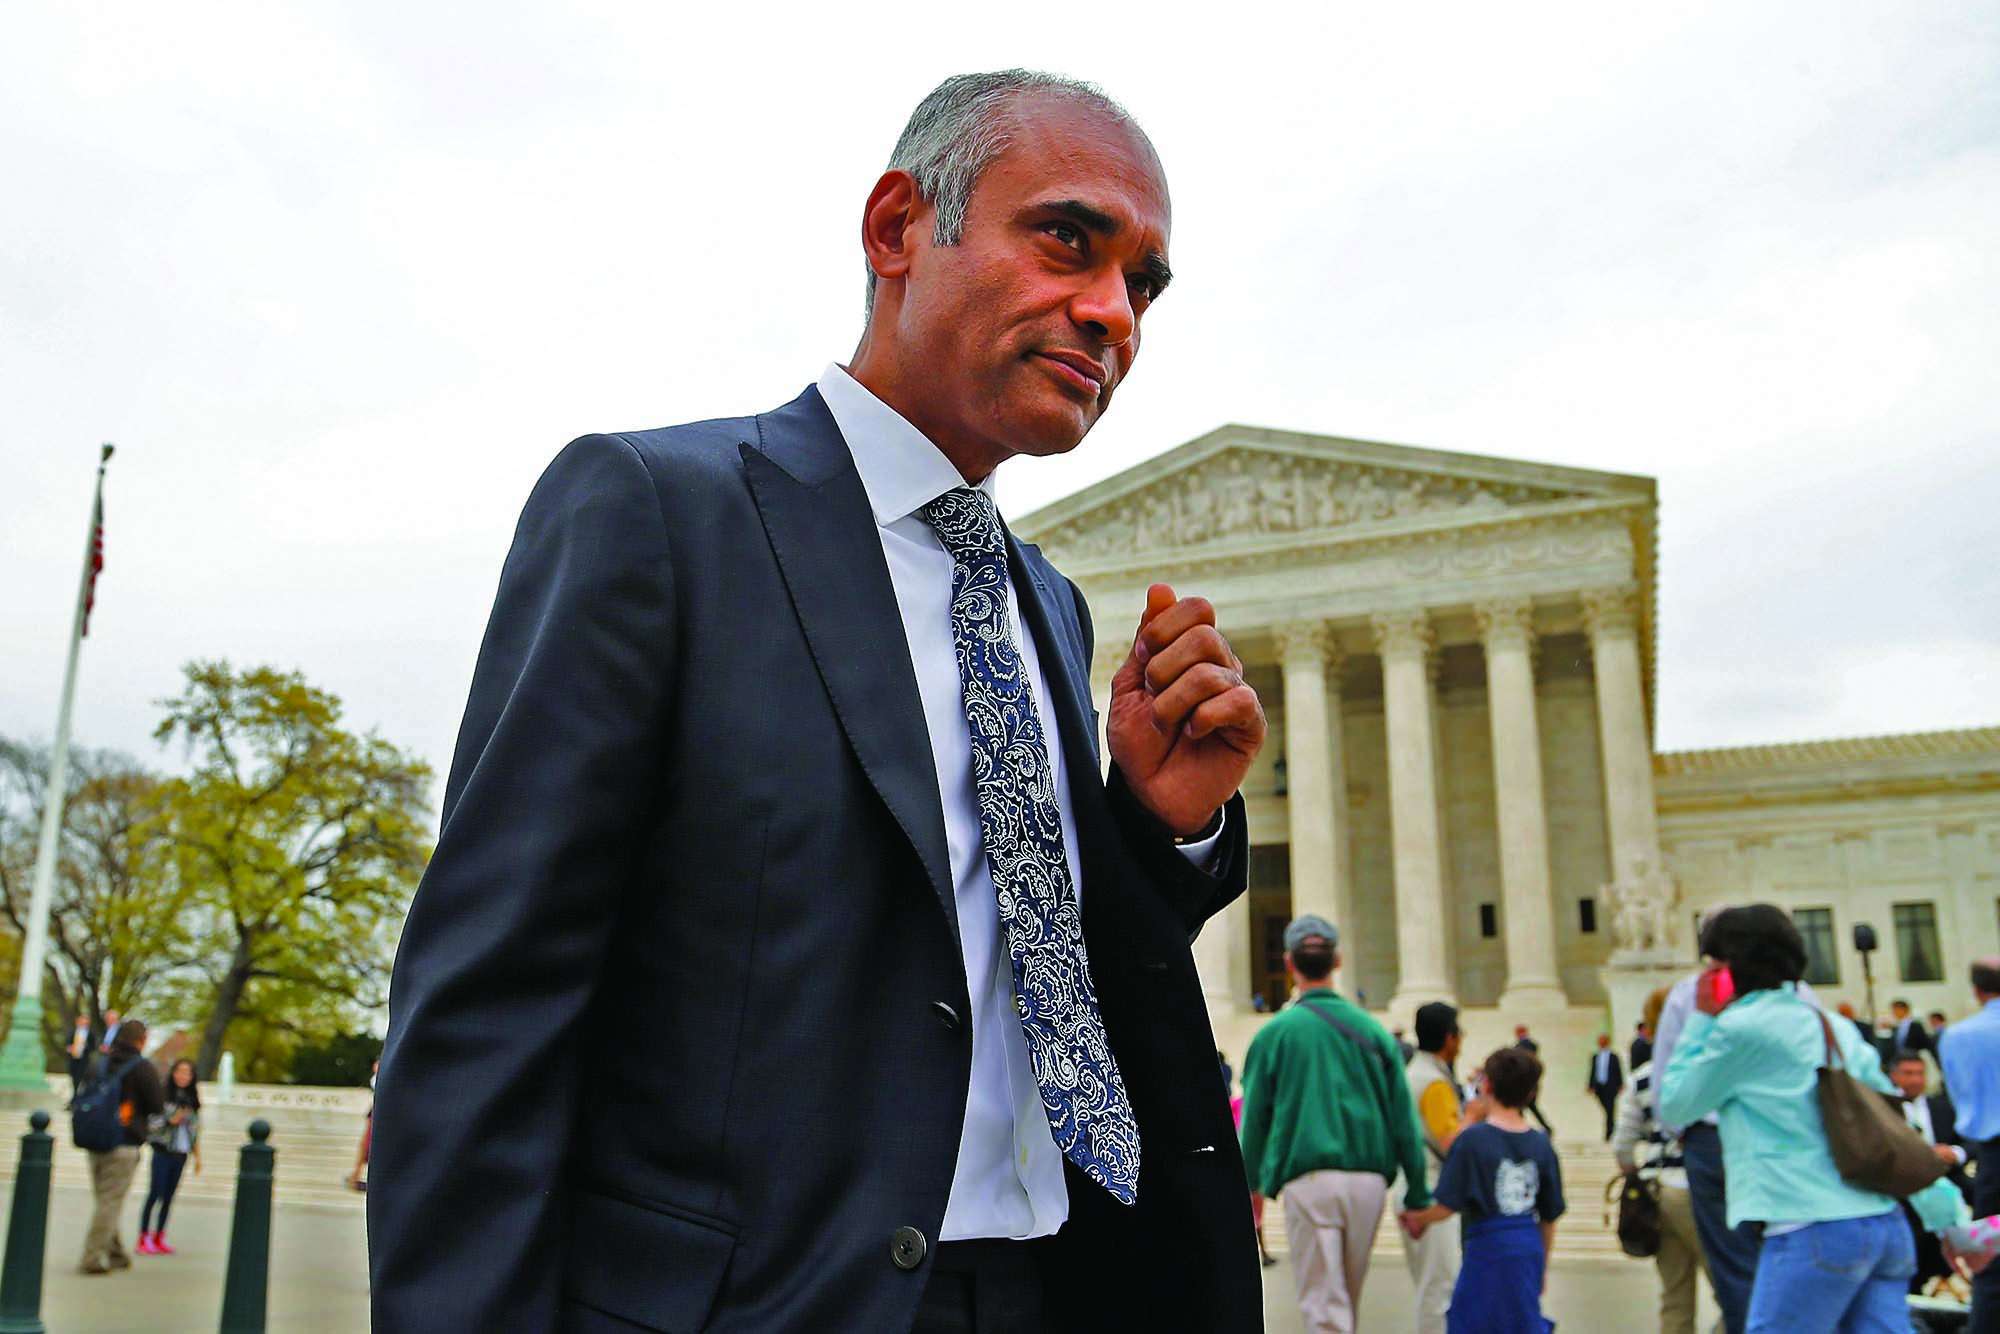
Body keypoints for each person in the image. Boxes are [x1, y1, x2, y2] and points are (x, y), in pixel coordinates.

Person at [370, 70, 1268, 1333]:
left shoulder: (1050, 606)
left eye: (1143, 285)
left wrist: (1153, 829)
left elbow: (1015, 962)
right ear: (897, 227)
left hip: (1043, 1292)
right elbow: (486, 1016)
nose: (1110, 310)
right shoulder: (656, 513)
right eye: (1068, 238)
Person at [1659, 905, 1970, 1332]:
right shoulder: (1830, 1025)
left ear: (1729, 967)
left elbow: (1675, 1104)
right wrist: (1946, 1216)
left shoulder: (1739, 1029)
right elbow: (1893, 1130)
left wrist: (1700, 1019)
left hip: (1809, 1226)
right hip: (1882, 1224)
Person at [1239, 915, 1431, 1333]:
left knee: (1325, 1309)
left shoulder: (1276, 1035)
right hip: (1367, 1183)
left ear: (1289, 964)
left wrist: (1247, 1186)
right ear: (1338, 961)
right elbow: (1403, 1120)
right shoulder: (1374, 1033)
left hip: (1309, 1181)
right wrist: (1416, 1192)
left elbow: (1254, 1121)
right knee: (1345, 1301)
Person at [1652, 910, 1763, 1334]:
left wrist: (1688, 1136)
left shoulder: (1687, 996)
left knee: (1735, 1272)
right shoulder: (1798, 997)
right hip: (1784, 1141)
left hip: (1712, 1143)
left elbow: (1668, 1096)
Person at [1403, 1047, 1564, 1334]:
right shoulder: (1541, 1143)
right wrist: (1542, 1264)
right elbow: (1550, 1215)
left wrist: (1418, 1218)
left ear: (1486, 1085)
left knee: (1474, 1319)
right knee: (1520, 1320)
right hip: (1527, 1242)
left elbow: (1447, 1204)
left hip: (1487, 1243)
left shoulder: (1473, 1140)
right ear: (1530, 1094)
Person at [1612, 986, 1702, 1334]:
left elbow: (1622, 1145)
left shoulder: (1642, 1078)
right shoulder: (1702, 1066)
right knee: (1733, 1289)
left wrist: (1634, 1170)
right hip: (1697, 1188)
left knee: (1675, 1298)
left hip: (1657, 1191)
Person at [1403, 1000, 1482, 1334]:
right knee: (1440, 1288)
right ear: (1449, 1038)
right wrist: (1476, 1116)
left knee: (1434, 1284)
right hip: (1432, 1187)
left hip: (1417, 1184)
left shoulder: (1416, 1072)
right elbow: (1452, 1143)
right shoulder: (1432, 1082)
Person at [72, 1018, 163, 1275]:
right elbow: (157, 1104)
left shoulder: (98, 1063)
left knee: (104, 1199)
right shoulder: (142, 1067)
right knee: (110, 1202)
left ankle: (116, 1252)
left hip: (94, 1139)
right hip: (124, 1141)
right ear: (142, 1039)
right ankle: (92, 1257)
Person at [1939, 957, 2000, 1328]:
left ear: (1976, 991)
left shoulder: (1958, 1035)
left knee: (1991, 1263)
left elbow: (1960, 1096)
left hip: (1993, 1155)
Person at [1887, 1050, 1972, 1293]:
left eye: (1920, 1073)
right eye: (1908, 1073)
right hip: (1905, 1192)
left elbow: (1973, 1142)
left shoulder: (1944, 1107)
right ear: (1894, 1076)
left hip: (1948, 1184)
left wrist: (1954, 1153)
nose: (1915, 1080)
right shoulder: (1883, 1110)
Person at [137, 1059, 201, 1255]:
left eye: (187, 1073)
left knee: (169, 1197)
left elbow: (195, 1130)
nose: (183, 1076)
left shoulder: (192, 1100)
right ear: (173, 1073)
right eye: (180, 1072)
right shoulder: (163, 1096)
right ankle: (143, 1237)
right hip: (163, 1150)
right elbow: (151, 1124)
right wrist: (170, 1121)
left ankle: (159, 1235)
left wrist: (198, 1156)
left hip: (181, 1152)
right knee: (155, 1193)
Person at [1511, 1025, 1553, 1135]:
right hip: (1528, 1083)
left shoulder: (1525, 1046)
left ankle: (1521, 1128)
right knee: (1526, 1107)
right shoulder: (1525, 1045)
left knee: (1525, 1107)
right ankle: (1524, 1127)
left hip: (1527, 1084)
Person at [1585, 1033, 1623, 1141]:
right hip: (1599, 1087)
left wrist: (1620, 1084)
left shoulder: (1614, 1056)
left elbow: (1618, 1071)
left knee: (1610, 1109)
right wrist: (1590, 1085)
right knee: (1607, 1109)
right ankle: (1612, 1128)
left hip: (1610, 1086)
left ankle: (1609, 1133)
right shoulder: (1595, 1056)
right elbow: (1592, 1071)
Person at [348, 1058, 376, 1191]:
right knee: (365, 1144)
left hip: (379, 1111)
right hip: (376, 1110)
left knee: (367, 1145)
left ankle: (355, 1177)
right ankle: (355, 1177)